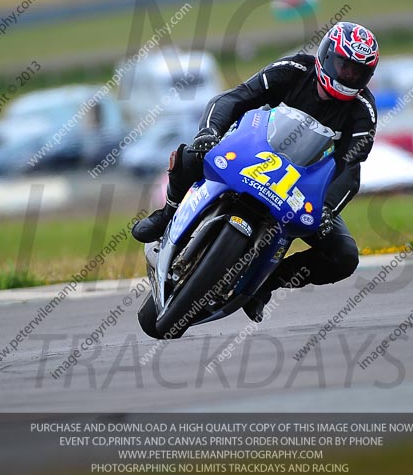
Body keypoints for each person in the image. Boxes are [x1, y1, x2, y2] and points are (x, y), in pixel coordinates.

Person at [132, 22, 379, 322]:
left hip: (303, 185)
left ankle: (267, 283)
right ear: (327, 56)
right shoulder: (294, 68)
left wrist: (326, 208)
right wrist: (209, 132)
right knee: (190, 154)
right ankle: (167, 213)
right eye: (344, 65)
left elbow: (350, 166)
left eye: (357, 71)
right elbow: (235, 98)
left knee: (344, 256)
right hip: (255, 153)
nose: (348, 76)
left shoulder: (363, 110)